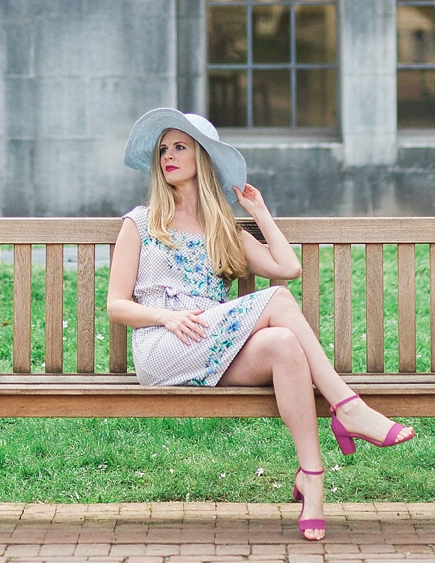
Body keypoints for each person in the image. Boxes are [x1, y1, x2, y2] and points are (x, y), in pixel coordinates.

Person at [107, 109, 414, 541]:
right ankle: (348, 408)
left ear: (204, 158)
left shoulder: (222, 229)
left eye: (180, 147)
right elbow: (116, 306)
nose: (168, 157)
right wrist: (167, 316)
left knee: (285, 344)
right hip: (164, 347)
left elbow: (285, 266)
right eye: (163, 150)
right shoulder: (140, 223)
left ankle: (312, 477)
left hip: (212, 350)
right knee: (280, 302)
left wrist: (260, 210)